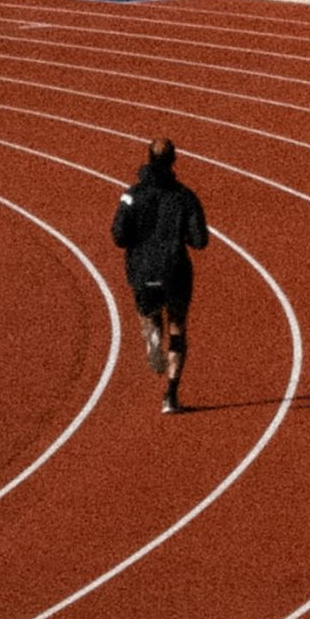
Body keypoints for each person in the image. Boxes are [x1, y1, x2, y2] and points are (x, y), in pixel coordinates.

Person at [111, 136, 211, 413]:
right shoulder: (185, 196)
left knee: (149, 313)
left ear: (148, 159)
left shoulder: (131, 194)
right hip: (175, 270)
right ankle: (170, 395)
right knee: (177, 327)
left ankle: (151, 333)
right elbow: (200, 241)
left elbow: (118, 235)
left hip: (142, 270)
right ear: (174, 161)